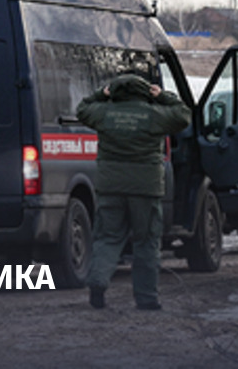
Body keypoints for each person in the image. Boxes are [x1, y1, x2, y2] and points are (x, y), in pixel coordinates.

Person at [78, 73, 191, 310]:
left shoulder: (103, 113)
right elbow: (183, 114)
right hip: (145, 188)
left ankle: (98, 282)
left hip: (111, 187)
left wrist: (102, 93)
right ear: (145, 92)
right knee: (146, 241)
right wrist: (162, 96)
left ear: (115, 92)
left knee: (108, 237)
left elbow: (82, 108)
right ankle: (147, 298)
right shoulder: (154, 115)